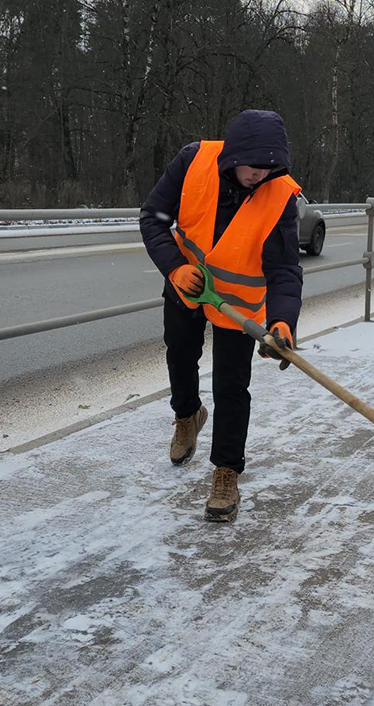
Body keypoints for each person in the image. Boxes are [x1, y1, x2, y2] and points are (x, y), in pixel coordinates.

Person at [140, 109, 303, 523]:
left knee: (231, 386)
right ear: (235, 156)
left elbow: (285, 269)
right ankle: (187, 415)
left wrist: (282, 322)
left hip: (239, 306)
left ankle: (227, 471)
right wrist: (175, 267)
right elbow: (153, 218)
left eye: (270, 168)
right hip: (187, 284)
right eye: (255, 166)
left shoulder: (280, 195)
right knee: (180, 356)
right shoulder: (193, 160)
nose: (260, 176)